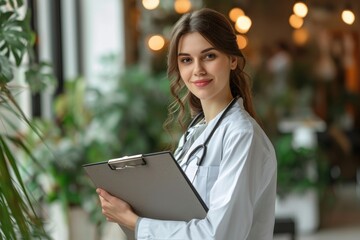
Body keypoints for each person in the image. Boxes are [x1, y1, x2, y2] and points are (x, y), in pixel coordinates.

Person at [96, 8, 277, 240]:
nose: (197, 70)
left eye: (209, 56)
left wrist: (135, 222)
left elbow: (220, 235)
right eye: (186, 60)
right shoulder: (195, 134)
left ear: (232, 59)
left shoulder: (242, 135)